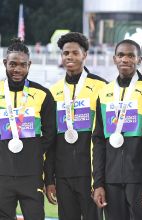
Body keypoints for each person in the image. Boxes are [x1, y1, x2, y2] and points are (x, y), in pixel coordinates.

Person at [44, 32, 106, 220]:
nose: (69, 57)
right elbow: (50, 140)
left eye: (75, 53)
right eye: (65, 53)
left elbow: (104, 137)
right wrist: (49, 179)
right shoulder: (53, 92)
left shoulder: (102, 87)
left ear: (85, 54)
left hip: (90, 174)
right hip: (63, 175)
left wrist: (101, 179)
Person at [92, 39, 142, 220]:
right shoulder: (104, 92)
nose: (125, 60)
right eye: (121, 55)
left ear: (139, 60)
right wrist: (98, 183)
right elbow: (98, 140)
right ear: (114, 59)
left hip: (141, 178)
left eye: (131, 55)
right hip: (111, 180)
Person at [0, 38, 56, 219]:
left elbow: (50, 136)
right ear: (4, 63)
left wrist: (34, 152)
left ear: (29, 65)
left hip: (31, 176)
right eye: (13, 64)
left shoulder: (43, 94)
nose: (17, 69)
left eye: (22, 65)